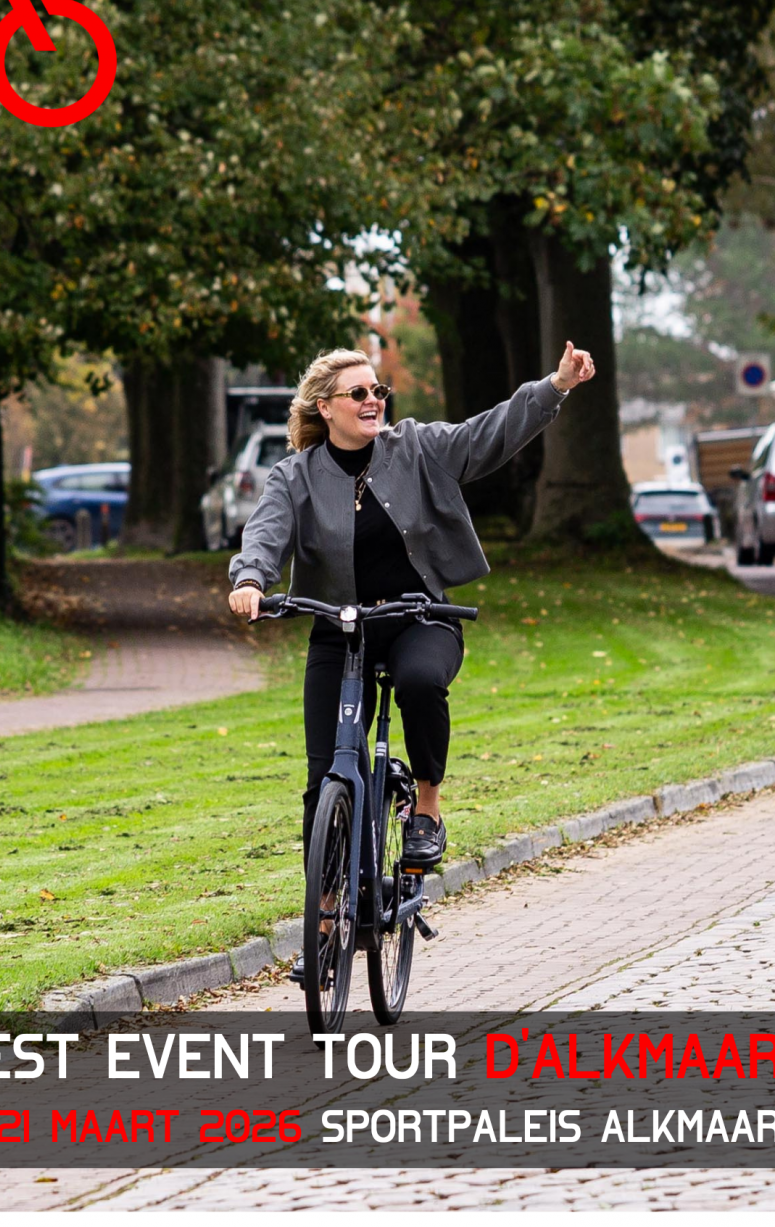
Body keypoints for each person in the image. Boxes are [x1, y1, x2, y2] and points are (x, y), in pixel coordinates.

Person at [229, 340, 595, 982]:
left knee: (421, 683)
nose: (373, 401)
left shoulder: (417, 447)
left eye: (378, 390)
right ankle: (324, 926)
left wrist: (555, 387)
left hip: (420, 619)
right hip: (340, 631)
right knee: (323, 781)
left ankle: (426, 807)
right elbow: (264, 533)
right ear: (325, 408)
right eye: (358, 393)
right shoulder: (294, 476)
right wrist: (251, 579)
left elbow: (488, 434)